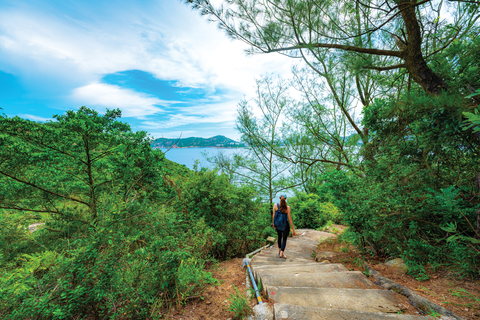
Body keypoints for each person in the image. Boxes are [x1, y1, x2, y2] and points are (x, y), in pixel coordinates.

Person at [272, 194, 295, 259]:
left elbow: (273, 216)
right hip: (285, 225)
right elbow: (289, 219)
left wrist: (274, 223)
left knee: (279, 237)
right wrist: (293, 228)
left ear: (279, 198)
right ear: (286, 198)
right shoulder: (288, 207)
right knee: (284, 239)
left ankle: (279, 251)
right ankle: (282, 252)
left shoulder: (275, 205)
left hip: (278, 224)